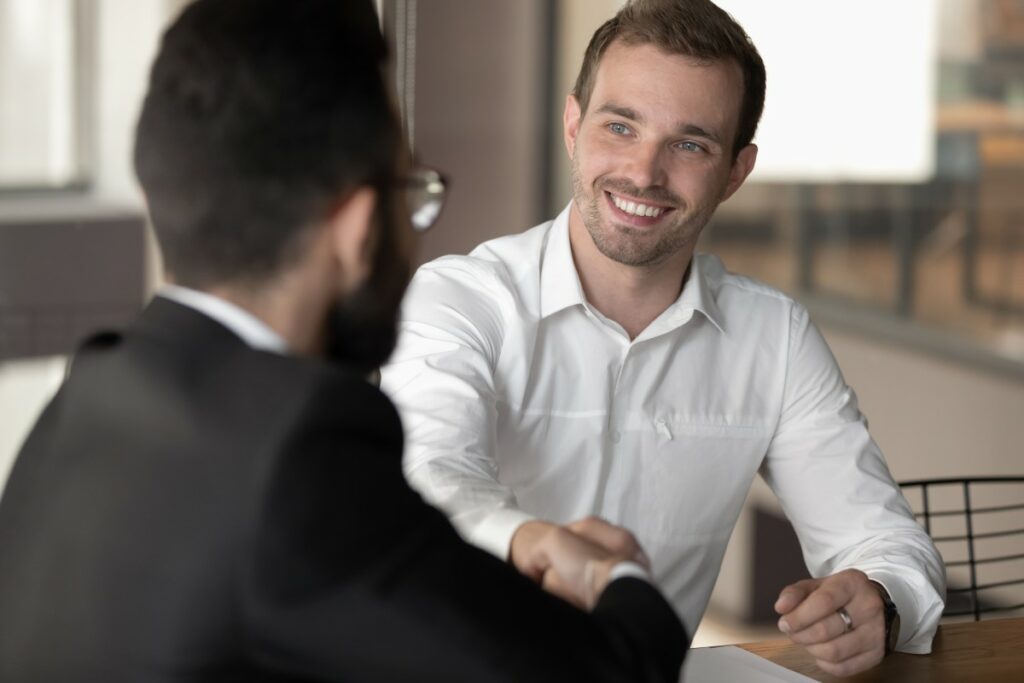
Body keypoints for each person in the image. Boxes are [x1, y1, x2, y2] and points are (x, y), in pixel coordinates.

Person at [0, 1, 688, 680]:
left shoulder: (90, 393)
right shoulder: (296, 453)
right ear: (359, 226)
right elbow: (613, 670)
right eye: (412, 194)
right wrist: (614, 574)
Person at [380, 0, 946, 677]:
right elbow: (427, 480)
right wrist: (536, 542)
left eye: (689, 144)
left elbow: (885, 541)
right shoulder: (460, 300)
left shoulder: (774, 337)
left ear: (736, 171)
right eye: (620, 126)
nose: (644, 172)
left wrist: (880, 599)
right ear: (572, 125)